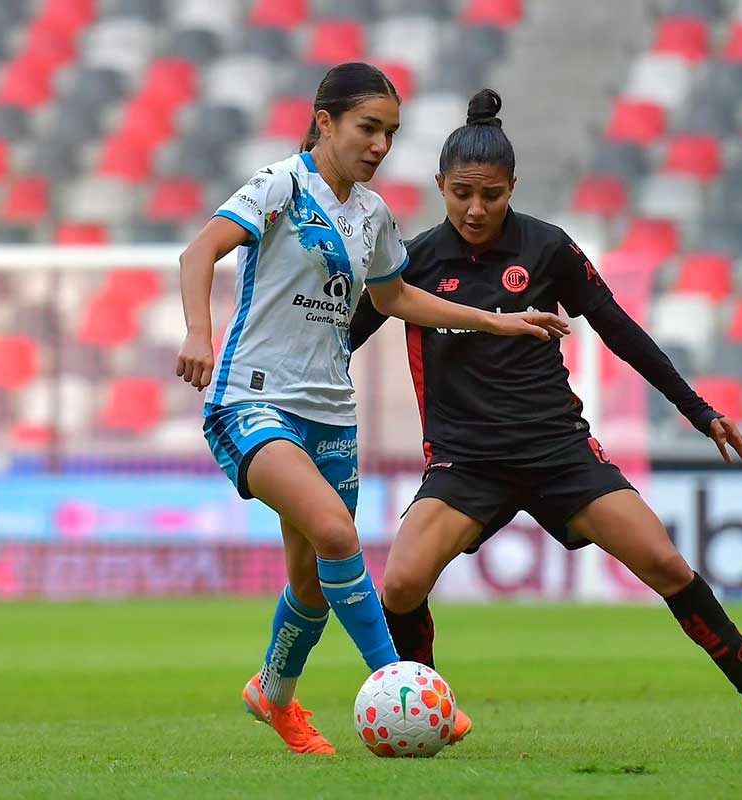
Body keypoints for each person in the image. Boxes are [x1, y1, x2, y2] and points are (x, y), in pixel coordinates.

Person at [349, 89, 742, 744]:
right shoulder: (410, 263)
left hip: (559, 452)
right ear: (440, 185)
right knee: (403, 582)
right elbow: (342, 338)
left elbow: (619, 329)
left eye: (491, 195)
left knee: (666, 565)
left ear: (512, 188)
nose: (475, 208)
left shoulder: (547, 248)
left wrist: (698, 411)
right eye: (462, 192)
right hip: (466, 462)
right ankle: (428, 702)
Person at [175, 66, 569, 756]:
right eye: (368, 127)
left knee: (312, 582)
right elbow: (199, 250)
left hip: (332, 414)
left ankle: (273, 693)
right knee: (335, 532)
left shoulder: (374, 215)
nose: (381, 144)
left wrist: (494, 321)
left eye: (390, 132)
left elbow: (395, 301)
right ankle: (401, 680)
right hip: (252, 399)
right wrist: (198, 333)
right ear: (325, 122)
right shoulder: (280, 186)